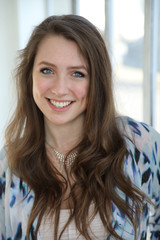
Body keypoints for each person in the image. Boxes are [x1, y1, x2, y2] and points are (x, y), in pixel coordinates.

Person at [0, 14, 160, 240]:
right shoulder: (9, 164)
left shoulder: (140, 144)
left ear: (97, 81)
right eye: (47, 70)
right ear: (29, 76)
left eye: (77, 74)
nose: (60, 88)